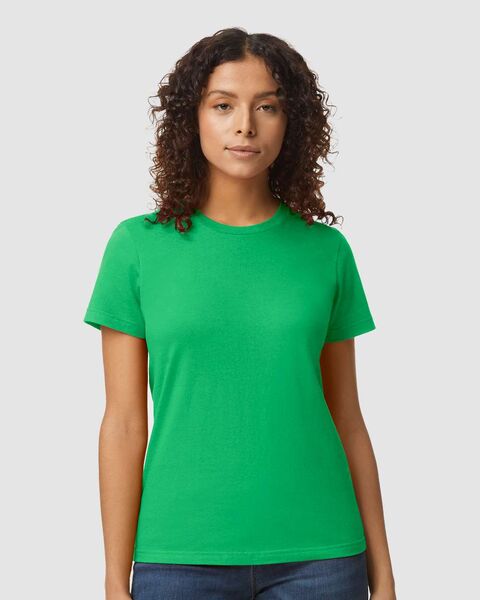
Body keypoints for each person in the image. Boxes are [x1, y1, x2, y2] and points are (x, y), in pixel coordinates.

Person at [83, 27, 396, 600]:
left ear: (291, 122)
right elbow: (124, 423)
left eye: (267, 106)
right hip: (178, 557)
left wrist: (385, 573)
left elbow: (348, 417)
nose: (245, 125)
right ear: (192, 118)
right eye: (223, 105)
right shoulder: (136, 247)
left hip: (322, 555)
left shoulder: (325, 252)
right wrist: (112, 577)